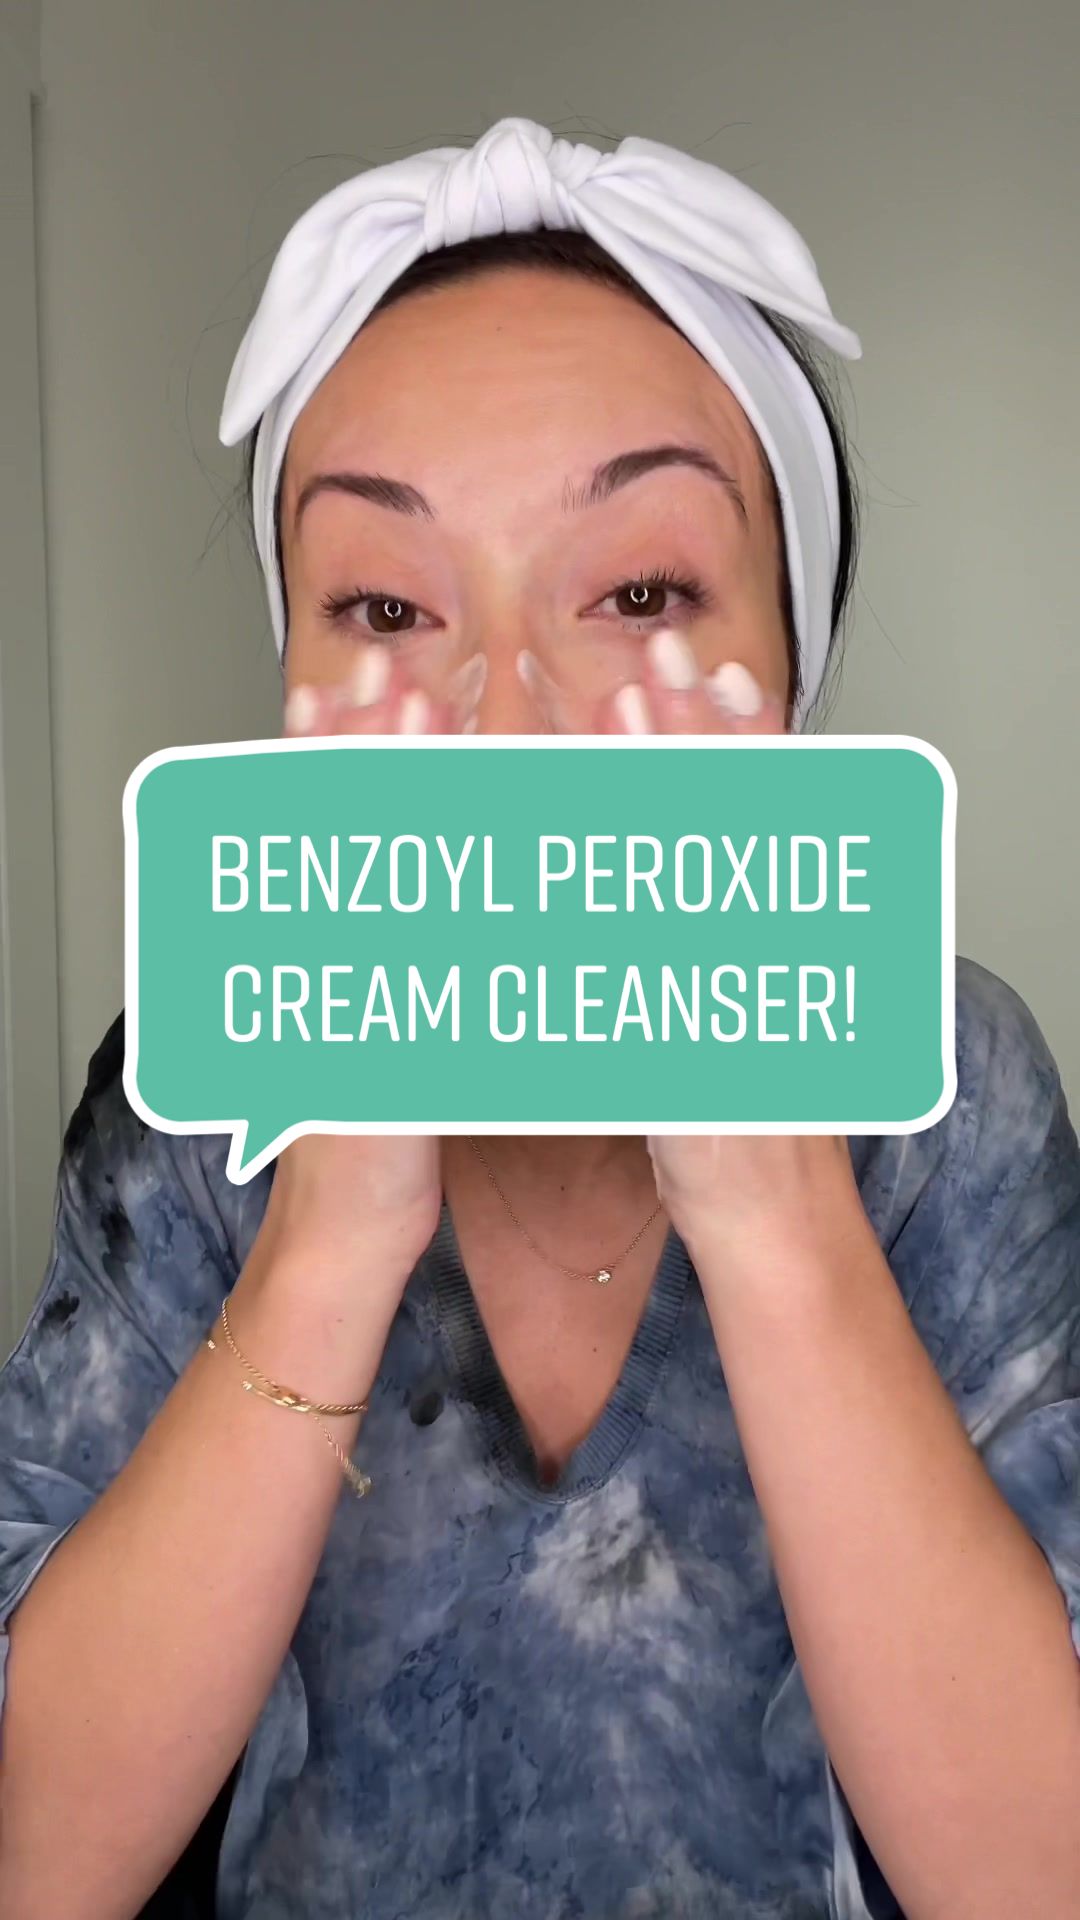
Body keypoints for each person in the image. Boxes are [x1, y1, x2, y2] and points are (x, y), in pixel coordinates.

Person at [0, 118, 1078, 1920]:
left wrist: (774, 1211)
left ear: (790, 670)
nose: (505, 717)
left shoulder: (947, 1088)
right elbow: (38, 1861)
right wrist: (330, 1240)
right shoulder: (190, 1088)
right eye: (385, 605)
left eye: (641, 593)